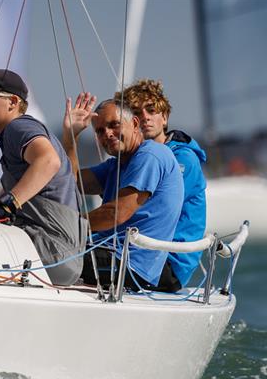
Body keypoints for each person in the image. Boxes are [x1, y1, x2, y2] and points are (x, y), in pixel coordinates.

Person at [0, 69, 85, 285]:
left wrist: (8, 205)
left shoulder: (18, 127)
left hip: (51, 252)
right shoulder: (16, 137)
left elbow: (49, 161)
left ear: (13, 102)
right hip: (61, 258)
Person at [62, 94, 183, 291]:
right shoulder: (116, 165)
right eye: (100, 131)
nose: (107, 134)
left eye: (114, 125)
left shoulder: (150, 155)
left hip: (131, 265)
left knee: (45, 250)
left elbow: (115, 213)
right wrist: (70, 136)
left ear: (135, 123)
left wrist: (65, 227)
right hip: (109, 255)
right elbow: (70, 182)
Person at [116, 79, 207, 291]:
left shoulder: (184, 159)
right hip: (140, 253)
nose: (145, 117)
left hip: (169, 262)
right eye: (137, 112)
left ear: (164, 118)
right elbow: (81, 180)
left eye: (152, 110)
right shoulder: (132, 160)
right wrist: (71, 136)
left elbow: (150, 207)